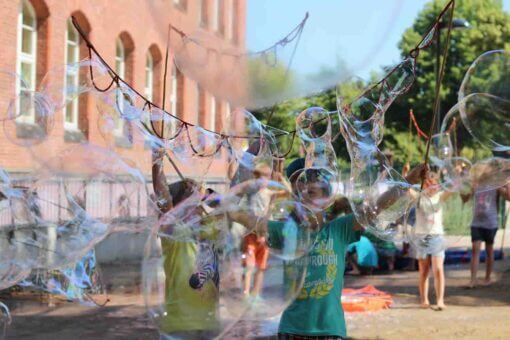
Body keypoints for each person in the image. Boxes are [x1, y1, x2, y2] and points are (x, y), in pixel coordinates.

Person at [230, 158, 427, 339]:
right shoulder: (285, 231)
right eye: (300, 192)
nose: (304, 196)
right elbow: (248, 219)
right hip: (292, 328)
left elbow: (377, 207)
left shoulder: (338, 229)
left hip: (330, 329)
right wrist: (224, 200)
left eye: (312, 191)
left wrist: (407, 180)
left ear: (326, 199)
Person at [151, 147, 219, 339]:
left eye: (198, 199)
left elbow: (231, 205)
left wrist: (207, 194)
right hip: (181, 323)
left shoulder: (209, 227)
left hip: (209, 321)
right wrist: (157, 162)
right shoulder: (175, 232)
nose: (195, 202)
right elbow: (163, 200)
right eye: (189, 196)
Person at [413, 171, 451, 310]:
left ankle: (440, 300)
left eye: (434, 184)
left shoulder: (440, 197)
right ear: (423, 184)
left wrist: (455, 173)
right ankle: (424, 300)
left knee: (438, 269)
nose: (431, 186)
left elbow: (452, 188)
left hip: (436, 235)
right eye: (428, 183)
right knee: (423, 270)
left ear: (438, 185)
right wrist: (407, 174)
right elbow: (405, 189)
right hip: (421, 236)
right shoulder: (419, 197)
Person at [465, 184, 510, 288]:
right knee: (475, 250)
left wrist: (507, 186)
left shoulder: (496, 185)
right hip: (476, 223)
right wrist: (463, 189)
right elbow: (465, 199)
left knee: (489, 251)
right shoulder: (476, 185)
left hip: (490, 224)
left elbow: (508, 198)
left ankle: (487, 278)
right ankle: (473, 280)